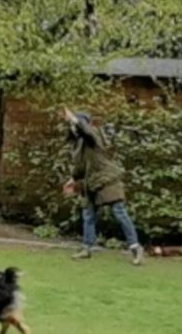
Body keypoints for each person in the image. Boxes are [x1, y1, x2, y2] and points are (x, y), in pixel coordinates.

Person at [61, 108, 144, 265]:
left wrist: (73, 119)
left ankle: (136, 248)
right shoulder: (79, 143)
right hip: (90, 182)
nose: (72, 128)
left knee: (119, 213)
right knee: (88, 215)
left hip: (107, 180)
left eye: (76, 124)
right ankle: (86, 249)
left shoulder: (94, 134)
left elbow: (85, 130)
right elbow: (80, 167)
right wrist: (72, 179)